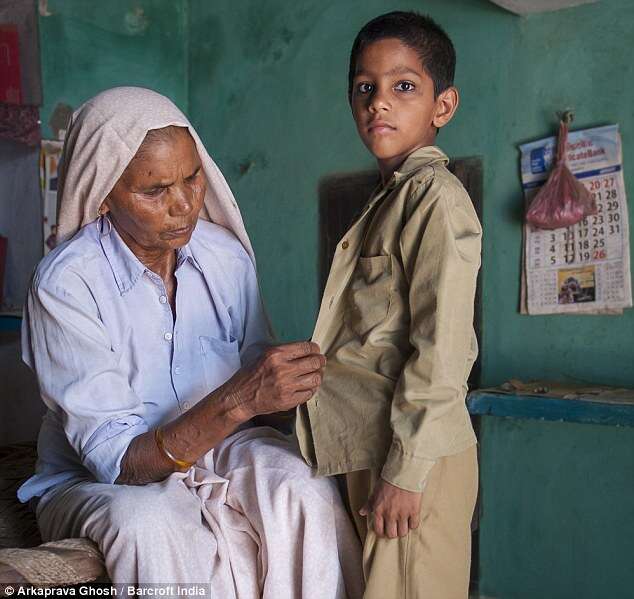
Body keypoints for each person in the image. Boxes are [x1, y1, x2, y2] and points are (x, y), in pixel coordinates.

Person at [19, 87, 363, 599]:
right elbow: (125, 465)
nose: (183, 205)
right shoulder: (65, 285)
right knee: (149, 523)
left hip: (221, 450)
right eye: (155, 191)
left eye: (192, 177)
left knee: (301, 486)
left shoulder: (224, 257)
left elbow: (259, 397)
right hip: (98, 480)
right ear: (105, 194)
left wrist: (313, 386)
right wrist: (244, 396)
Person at [295, 12, 481, 599]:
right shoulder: (387, 201)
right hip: (372, 450)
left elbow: (441, 347)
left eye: (404, 86)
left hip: (409, 461)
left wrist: (406, 473)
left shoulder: (436, 200)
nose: (380, 103)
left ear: (442, 106)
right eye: (364, 88)